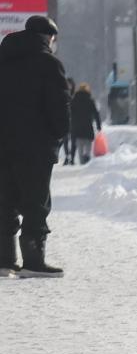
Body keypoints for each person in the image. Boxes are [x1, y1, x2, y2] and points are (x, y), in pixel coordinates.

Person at [0, 15, 72, 276]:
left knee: (4, 200)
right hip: (35, 147)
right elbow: (59, 107)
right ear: (48, 37)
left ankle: (4, 260)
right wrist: (59, 134)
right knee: (35, 202)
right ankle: (33, 261)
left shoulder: (3, 59)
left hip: (2, 144)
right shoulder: (49, 64)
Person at [68, 81, 101, 167]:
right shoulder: (90, 100)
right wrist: (98, 125)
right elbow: (96, 113)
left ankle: (82, 162)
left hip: (77, 127)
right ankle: (87, 156)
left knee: (79, 145)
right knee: (87, 144)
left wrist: (70, 124)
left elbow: (69, 113)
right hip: (87, 127)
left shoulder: (74, 100)